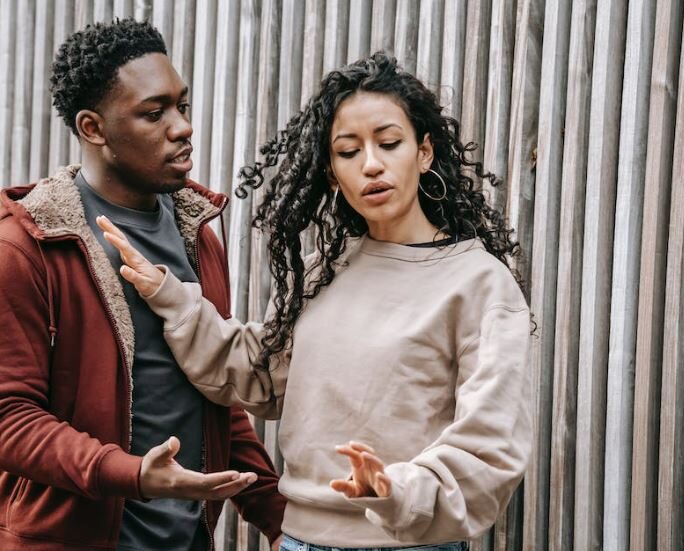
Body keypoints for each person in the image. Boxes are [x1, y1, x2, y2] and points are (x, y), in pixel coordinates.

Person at [96, 52, 532, 551]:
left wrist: (395, 492)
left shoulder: (480, 284)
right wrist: (168, 294)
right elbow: (257, 374)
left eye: (389, 143)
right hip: (299, 540)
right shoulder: (330, 269)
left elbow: (489, 447)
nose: (372, 164)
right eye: (348, 152)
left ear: (425, 152)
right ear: (331, 173)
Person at [0, 18, 286, 551]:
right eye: (154, 114)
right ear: (94, 128)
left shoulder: (198, 236)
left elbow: (216, 392)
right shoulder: (24, 250)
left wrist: (277, 515)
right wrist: (130, 473)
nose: (181, 127)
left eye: (181, 106)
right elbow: (1, 420)